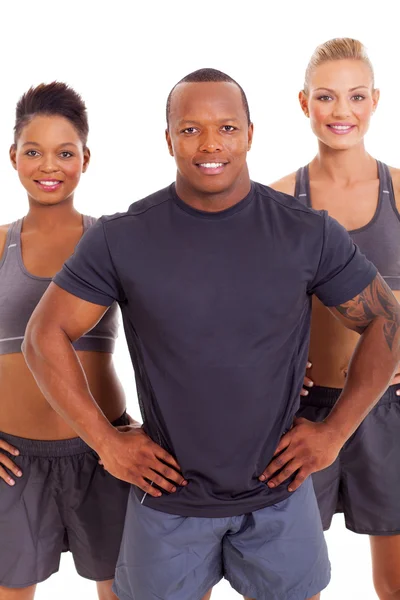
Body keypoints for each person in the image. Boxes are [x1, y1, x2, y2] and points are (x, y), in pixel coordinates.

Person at [23, 68, 400, 600]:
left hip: (280, 495)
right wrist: (105, 443)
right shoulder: (123, 237)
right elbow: (45, 336)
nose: (209, 145)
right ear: (169, 138)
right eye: (190, 129)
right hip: (168, 500)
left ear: (250, 133)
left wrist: (335, 432)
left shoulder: (306, 231)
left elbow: (386, 320)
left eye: (225, 128)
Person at [270, 37, 400, 600]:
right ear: (304, 104)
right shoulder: (278, 199)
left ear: (375, 100)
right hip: (303, 412)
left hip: (388, 408)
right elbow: (256, 308)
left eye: (354, 97)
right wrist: (276, 368)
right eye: (326, 97)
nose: (341, 112)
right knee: (294, 580)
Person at [0, 82, 131, 600]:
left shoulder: (112, 240)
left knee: (122, 589)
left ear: (85, 158)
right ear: (13, 156)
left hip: (103, 451)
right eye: (33, 151)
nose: (48, 165)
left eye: (64, 152)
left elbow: (173, 332)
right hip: (14, 460)